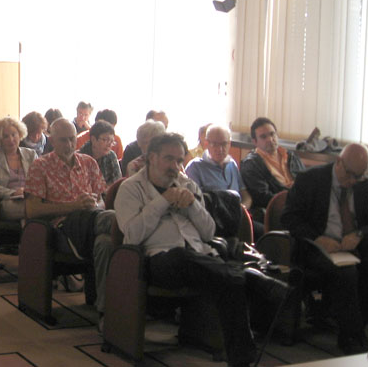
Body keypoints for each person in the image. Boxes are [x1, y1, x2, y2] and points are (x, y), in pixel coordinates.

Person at [113, 133, 256, 367]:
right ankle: (250, 279)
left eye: (179, 160)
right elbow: (132, 235)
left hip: (198, 256)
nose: (175, 166)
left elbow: (208, 233)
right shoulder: (131, 188)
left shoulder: (187, 184)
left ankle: (241, 359)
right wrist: (163, 201)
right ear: (152, 157)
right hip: (156, 260)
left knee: (229, 281)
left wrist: (192, 205)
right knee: (200, 263)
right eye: (169, 159)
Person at [281, 143, 368, 353]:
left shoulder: (367, 186)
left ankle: (363, 323)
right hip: (317, 247)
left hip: (354, 246)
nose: (353, 181)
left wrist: (360, 235)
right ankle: (349, 337)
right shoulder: (310, 179)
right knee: (347, 273)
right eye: (350, 174)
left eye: (359, 176)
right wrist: (318, 238)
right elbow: (289, 218)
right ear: (338, 162)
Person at [24, 119, 114, 323]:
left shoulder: (88, 163)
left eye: (72, 139)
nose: (69, 144)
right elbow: (32, 210)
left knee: (106, 243)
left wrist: (94, 204)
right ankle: (127, 227)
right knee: (113, 221)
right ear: (52, 141)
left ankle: (106, 313)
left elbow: (102, 200)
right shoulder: (41, 166)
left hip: (92, 220)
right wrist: (74, 206)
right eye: (63, 140)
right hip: (61, 230)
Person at [240, 117, 305, 223]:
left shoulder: (291, 156)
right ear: (255, 142)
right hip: (279, 211)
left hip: (301, 204)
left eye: (272, 134)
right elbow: (263, 198)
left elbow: (305, 182)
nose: (270, 139)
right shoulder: (251, 164)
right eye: (263, 137)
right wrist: (293, 199)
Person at [0, 117, 38, 221]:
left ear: (20, 134)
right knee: (34, 210)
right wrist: (12, 193)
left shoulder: (31, 154)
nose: (11, 139)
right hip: (7, 201)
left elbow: (40, 180)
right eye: (6, 136)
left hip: (31, 199)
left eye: (14, 134)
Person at [185, 125, 252, 209]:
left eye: (224, 144)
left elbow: (245, 195)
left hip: (237, 212)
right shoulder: (195, 167)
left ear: (229, 144)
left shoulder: (232, 164)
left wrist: (242, 208)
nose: (220, 149)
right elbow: (194, 204)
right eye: (214, 144)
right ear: (206, 144)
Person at [78, 120, 122, 186]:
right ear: (93, 139)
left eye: (112, 141)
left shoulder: (111, 156)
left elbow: (117, 183)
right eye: (105, 140)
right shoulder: (80, 157)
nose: (109, 145)